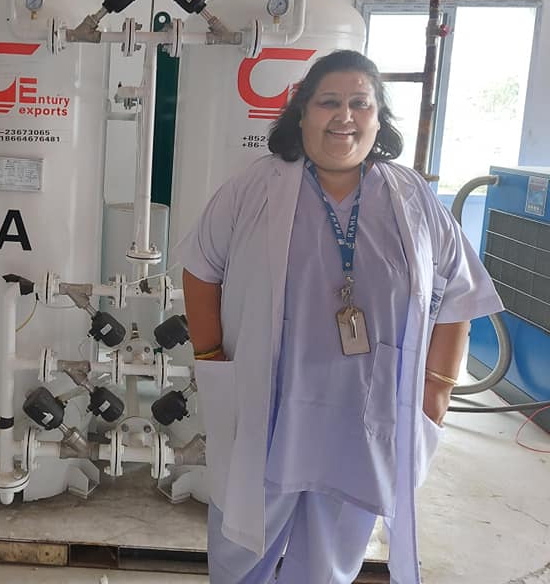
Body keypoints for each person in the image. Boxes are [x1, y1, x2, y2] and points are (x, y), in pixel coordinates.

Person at [179, 50, 502, 584]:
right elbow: (199, 269)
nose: (345, 116)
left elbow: (461, 296)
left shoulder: (412, 198)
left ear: (379, 118)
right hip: (271, 407)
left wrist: (436, 394)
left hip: (366, 415)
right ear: (302, 113)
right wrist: (212, 360)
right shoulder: (253, 188)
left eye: (360, 103)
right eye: (329, 102)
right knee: (242, 547)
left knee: (332, 559)